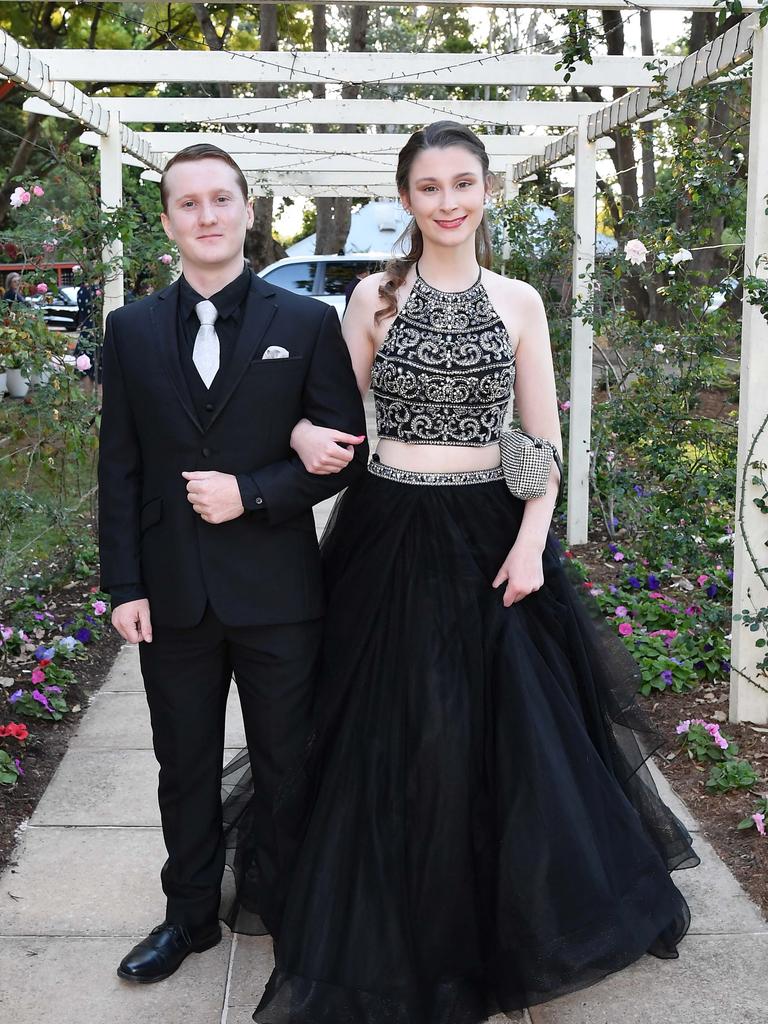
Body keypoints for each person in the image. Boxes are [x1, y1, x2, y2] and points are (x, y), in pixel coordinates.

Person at [226, 122, 698, 1023]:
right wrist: (293, 435)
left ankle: (501, 917)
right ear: (406, 199)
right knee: (396, 729)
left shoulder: (519, 301)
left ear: (487, 191)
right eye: (430, 186)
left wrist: (531, 542)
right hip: (388, 531)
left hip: (493, 538)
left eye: (463, 183)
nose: (449, 201)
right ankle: (398, 910)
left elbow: (544, 441)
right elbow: (325, 408)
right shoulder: (374, 296)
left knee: (506, 739)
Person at [97, 142, 367, 984]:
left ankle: (288, 913)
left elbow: (345, 455)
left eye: (222, 200)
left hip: (278, 594)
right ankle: (187, 918)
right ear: (170, 219)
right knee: (182, 761)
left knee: (289, 759)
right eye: (189, 203)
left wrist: (249, 493)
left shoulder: (307, 324)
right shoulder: (131, 329)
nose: (207, 216)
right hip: (171, 594)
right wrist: (123, 585)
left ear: (250, 211)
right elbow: (120, 466)